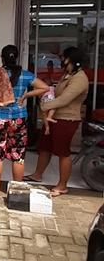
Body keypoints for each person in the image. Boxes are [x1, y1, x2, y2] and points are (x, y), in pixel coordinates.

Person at [0, 45, 48, 201]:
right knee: (18, 156)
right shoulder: (26, 75)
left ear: (2, 58)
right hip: (18, 119)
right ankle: (17, 193)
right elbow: (44, 87)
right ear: (16, 57)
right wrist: (26, 95)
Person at [24, 46, 89, 196]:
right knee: (44, 147)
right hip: (53, 118)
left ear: (74, 61)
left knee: (62, 152)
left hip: (67, 119)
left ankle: (62, 185)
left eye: (65, 59)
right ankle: (37, 174)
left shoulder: (80, 78)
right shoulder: (69, 75)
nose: (63, 62)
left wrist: (44, 105)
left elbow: (64, 99)